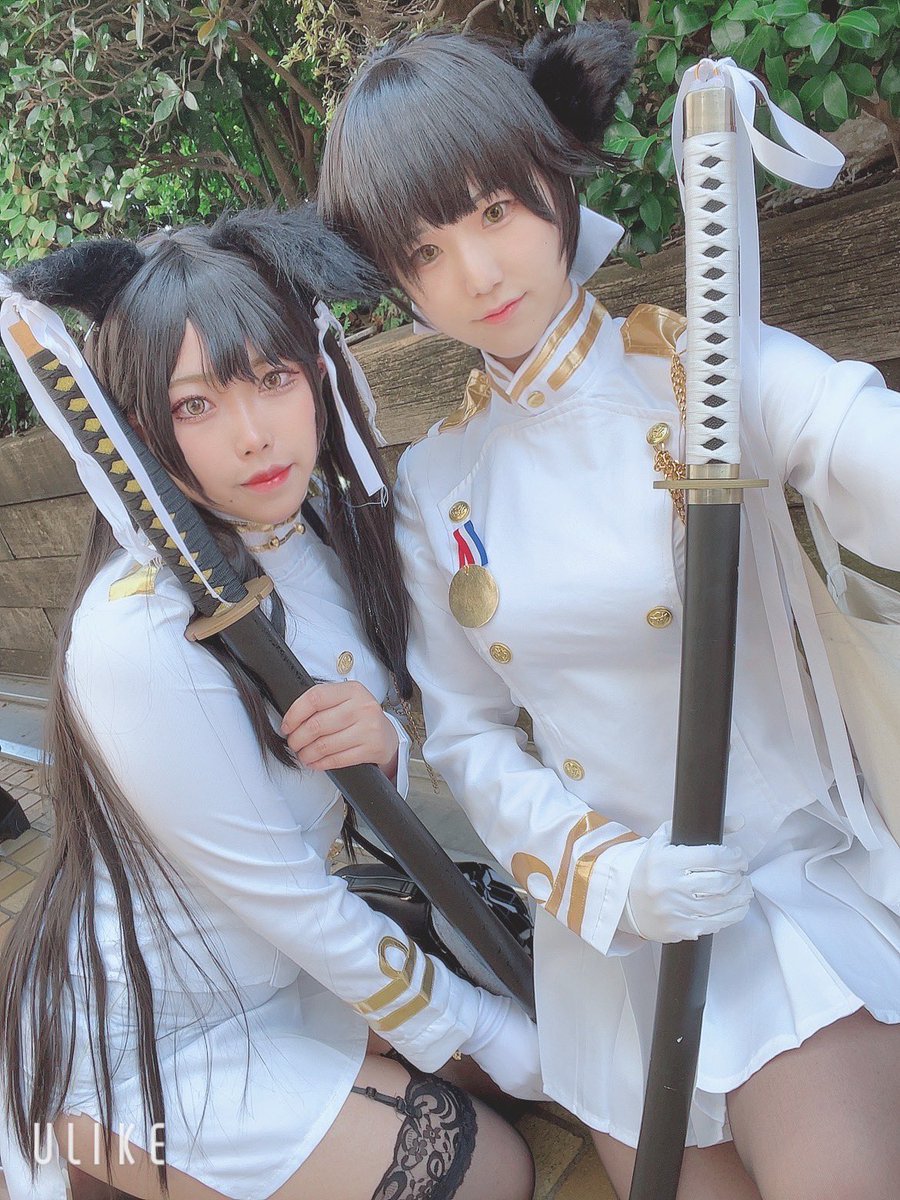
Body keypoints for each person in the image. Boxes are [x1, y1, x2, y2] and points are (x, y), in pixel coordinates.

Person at [316, 23, 900, 1200]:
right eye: (426, 250)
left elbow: (852, 437)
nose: (478, 273)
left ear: (554, 173)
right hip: (611, 940)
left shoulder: (700, 375)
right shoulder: (437, 481)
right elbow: (468, 732)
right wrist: (611, 877)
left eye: (495, 210)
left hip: (782, 887)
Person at [0, 210, 540, 1200]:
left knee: (513, 1093)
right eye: (196, 404)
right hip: (150, 1030)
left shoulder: (328, 531)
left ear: (316, 373)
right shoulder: (137, 634)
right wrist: (492, 1032)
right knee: (489, 1170)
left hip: (281, 973)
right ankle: (100, 1159)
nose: (252, 435)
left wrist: (382, 746)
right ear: (137, 427)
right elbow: (291, 895)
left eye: (273, 379)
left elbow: (353, 784)